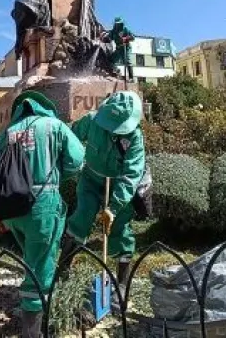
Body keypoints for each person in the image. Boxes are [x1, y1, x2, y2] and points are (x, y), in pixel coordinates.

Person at [0, 91, 84, 338]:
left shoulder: (7, 133)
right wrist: (57, 170)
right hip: (42, 207)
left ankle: (30, 306)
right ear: (46, 108)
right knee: (41, 269)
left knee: (31, 260)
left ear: (20, 109)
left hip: (11, 210)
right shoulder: (54, 126)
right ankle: (33, 331)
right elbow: (77, 160)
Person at [60, 91, 146, 306]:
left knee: (120, 230)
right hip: (90, 179)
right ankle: (62, 271)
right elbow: (72, 139)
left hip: (118, 184)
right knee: (81, 217)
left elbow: (132, 174)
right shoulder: (91, 121)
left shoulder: (134, 137)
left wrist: (113, 208)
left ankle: (123, 284)